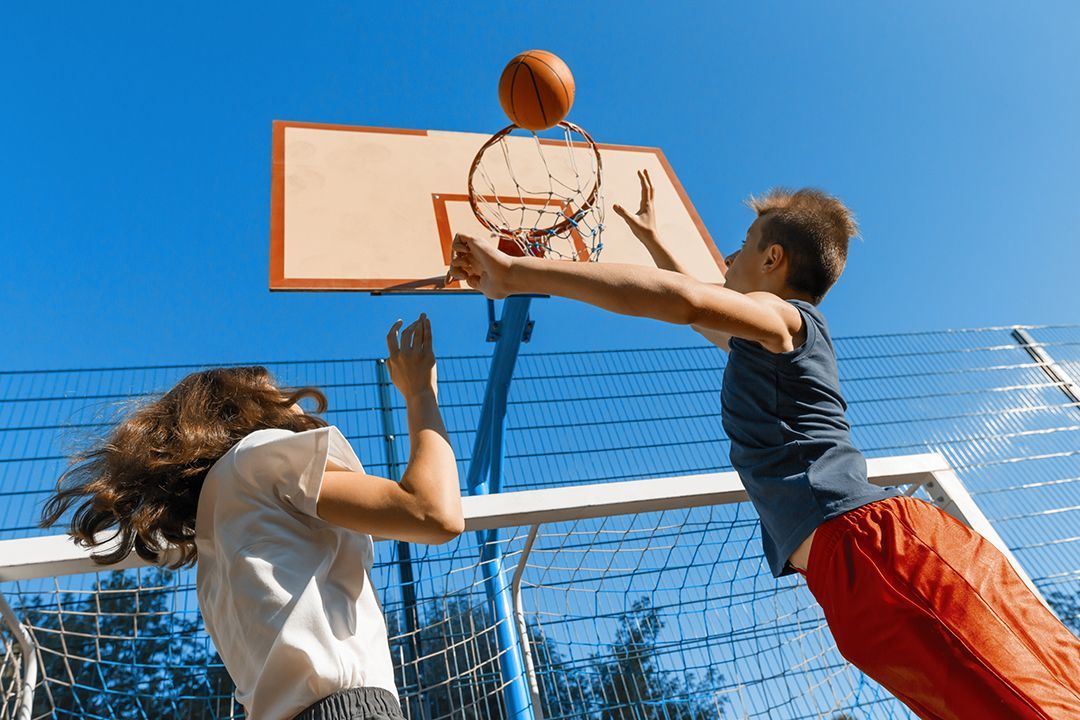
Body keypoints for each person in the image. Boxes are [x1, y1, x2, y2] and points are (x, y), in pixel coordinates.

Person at [448, 175, 1080, 719]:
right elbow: (700, 310)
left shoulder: (790, 323)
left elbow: (689, 301)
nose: (728, 254)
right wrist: (653, 238)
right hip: (848, 567)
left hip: (880, 546)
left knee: (1028, 701)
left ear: (773, 260)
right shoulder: (765, 343)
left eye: (743, 247)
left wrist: (515, 272)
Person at [42, 314, 462, 720]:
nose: (288, 396)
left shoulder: (214, 547)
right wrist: (421, 394)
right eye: (272, 389)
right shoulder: (259, 454)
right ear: (243, 409)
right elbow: (431, 511)